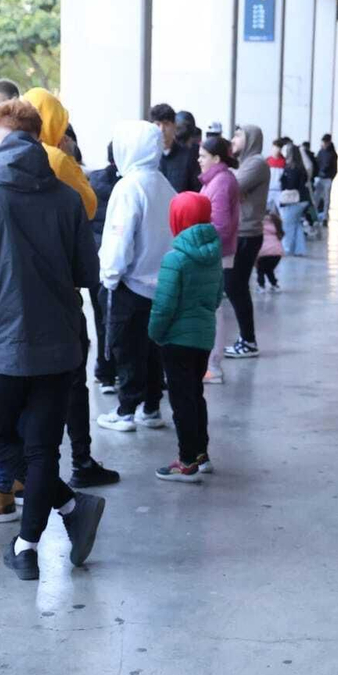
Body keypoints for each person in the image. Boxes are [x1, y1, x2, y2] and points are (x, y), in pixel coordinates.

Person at [0, 97, 107, 581]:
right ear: (40, 138)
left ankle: (45, 531)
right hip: (60, 344)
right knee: (43, 450)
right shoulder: (68, 199)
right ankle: (39, 535)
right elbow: (87, 273)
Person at [19, 88, 119, 490]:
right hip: (59, 286)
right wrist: (69, 156)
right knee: (73, 379)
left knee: (23, 387)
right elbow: (89, 205)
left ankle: (23, 472)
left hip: (15, 291)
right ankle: (81, 459)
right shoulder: (57, 159)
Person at [96, 119, 176, 433]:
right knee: (153, 350)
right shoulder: (164, 184)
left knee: (127, 349)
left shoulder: (129, 187)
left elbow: (119, 238)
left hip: (130, 285)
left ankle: (126, 410)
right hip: (162, 285)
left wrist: (109, 276)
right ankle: (151, 407)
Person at [150, 191, 223, 482]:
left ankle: (186, 461)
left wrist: (155, 333)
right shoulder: (214, 256)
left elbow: (164, 305)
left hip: (176, 340)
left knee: (181, 401)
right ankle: (201, 453)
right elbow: (217, 297)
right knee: (195, 395)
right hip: (203, 337)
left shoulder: (175, 258)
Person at [197, 134, 239, 384]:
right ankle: (210, 363)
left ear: (216, 158)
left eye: (203, 156)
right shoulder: (216, 179)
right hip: (215, 250)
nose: (199, 160)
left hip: (216, 252)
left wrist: (199, 242)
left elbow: (221, 225)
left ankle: (213, 365)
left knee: (214, 309)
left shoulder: (221, 182)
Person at [225, 124, 269, 358]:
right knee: (235, 286)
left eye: (238, 135)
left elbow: (230, 187)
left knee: (235, 286)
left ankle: (249, 341)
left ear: (251, 139)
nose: (233, 139)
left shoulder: (256, 163)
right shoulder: (245, 164)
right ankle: (247, 340)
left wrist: (227, 177)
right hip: (241, 232)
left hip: (247, 234)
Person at [22, 88, 99, 219]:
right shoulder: (54, 158)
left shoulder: (7, 151)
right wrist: (70, 159)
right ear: (50, 122)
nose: (63, 134)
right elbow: (89, 206)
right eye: (60, 124)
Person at [87, 141, 120, 391]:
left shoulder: (92, 181)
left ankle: (104, 371)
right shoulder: (129, 185)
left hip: (95, 257)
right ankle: (119, 368)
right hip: (120, 261)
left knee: (100, 318)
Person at [149, 102, 201, 193]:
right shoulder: (147, 157)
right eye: (157, 124)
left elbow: (195, 190)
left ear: (174, 125)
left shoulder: (188, 156)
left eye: (166, 124)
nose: (161, 129)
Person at [276, 140, 309, 256]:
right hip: (302, 200)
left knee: (287, 225)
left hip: (292, 200)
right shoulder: (301, 167)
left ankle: (286, 249)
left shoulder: (291, 169)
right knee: (296, 225)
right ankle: (299, 249)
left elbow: (289, 185)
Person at [256, 210, 283, 290]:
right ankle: (274, 285)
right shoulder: (275, 225)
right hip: (277, 253)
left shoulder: (258, 226)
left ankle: (261, 286)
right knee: (269, 269)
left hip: (263, 253)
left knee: (260, 269)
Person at [313, 134, 338, 217]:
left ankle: (325, 216)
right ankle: (315, 215)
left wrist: (331, 177)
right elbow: (317, 163)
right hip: (320, 177)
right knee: (316, 197)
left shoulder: (333, 154)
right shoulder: (321, 152)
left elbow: (335, 168)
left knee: (326, 198)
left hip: (327, 178)